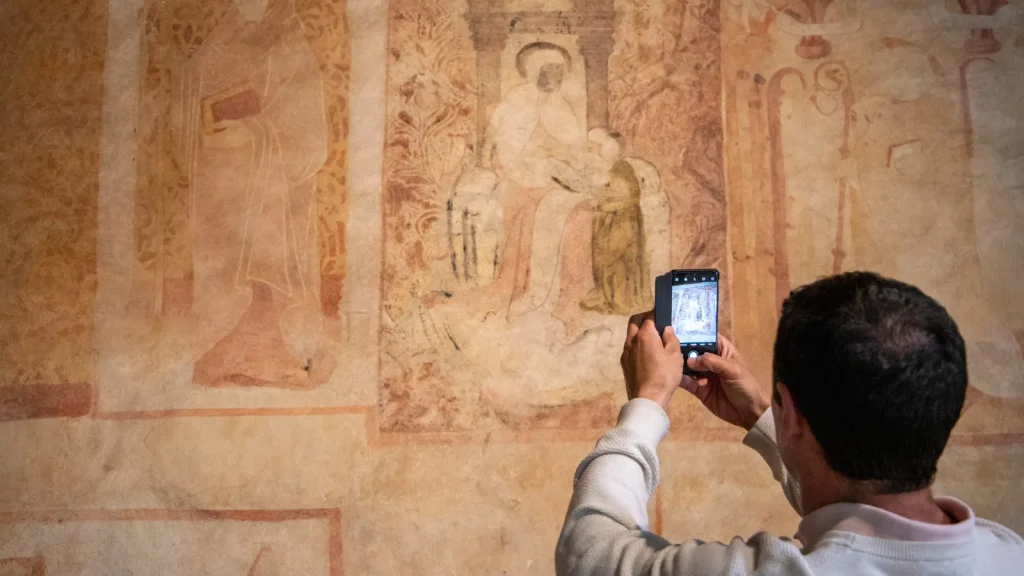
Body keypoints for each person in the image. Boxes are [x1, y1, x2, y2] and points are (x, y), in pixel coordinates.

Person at [556, 272, 1024, 575]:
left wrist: (648, 400)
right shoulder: (1007, 555)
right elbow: (857, 509)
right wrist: (768, 416)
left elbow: (589, 552)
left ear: (791, 412)